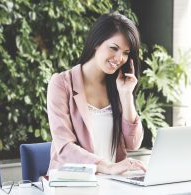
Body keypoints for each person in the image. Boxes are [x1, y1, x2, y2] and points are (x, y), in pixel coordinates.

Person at [47, 12, 146, 175]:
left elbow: (133, 144)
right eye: (114, 48)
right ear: (96, 43)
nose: (119, 58)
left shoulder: (118, 86)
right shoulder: (62, 83)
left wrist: (126, 96)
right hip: (73, 182)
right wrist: (107, 167)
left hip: (113, 184)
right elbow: (64, 147)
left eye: (126, 52)